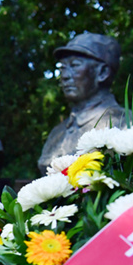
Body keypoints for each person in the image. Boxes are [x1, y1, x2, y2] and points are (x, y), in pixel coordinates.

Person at [38, 32, 127, 174]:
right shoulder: (57, 134)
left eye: (75, 65)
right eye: (63, 68)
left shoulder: (128, 126)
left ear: (103, 72)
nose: (65, 76)